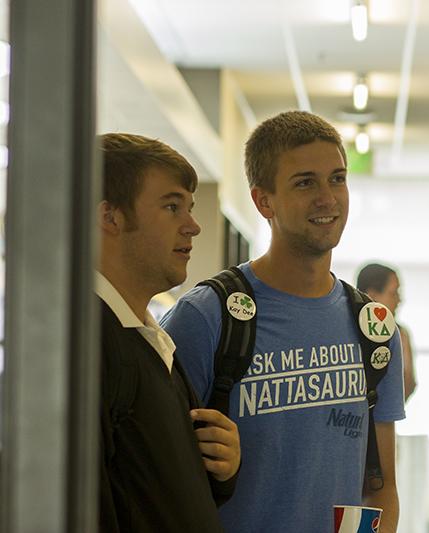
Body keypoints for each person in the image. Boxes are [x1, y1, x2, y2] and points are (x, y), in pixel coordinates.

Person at [161, 111, 405, 533]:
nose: (328, 197)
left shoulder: (374, 328)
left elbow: (380, 488)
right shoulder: (205, 317)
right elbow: (159, 482)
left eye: (338, 178)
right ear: (263, 201)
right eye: (305, 182)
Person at [97, 133, 241, 532]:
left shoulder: (150, 340)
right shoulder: (87, 346)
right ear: (110, 216)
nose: (193, 226)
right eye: (172, 207)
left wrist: (219, 470)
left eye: (189, 208)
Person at [357, 263, 417, 401]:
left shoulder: (400, 335)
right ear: (372, 296)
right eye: (393, 293)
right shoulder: (347, 333)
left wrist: (404, 350)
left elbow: (407, 388)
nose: (399, 300)